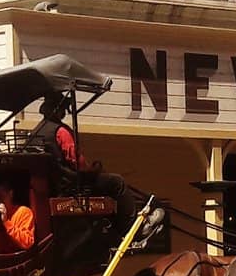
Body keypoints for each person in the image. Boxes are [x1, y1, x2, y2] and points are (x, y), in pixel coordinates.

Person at [32, 93, 162, 234]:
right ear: (58, 110)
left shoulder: (36, 131)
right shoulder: (60, 131)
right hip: (69, 183)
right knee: (117, 182)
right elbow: (76, 161)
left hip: (52, 184)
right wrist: (92, 170)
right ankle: (132, 227)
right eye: (63, 109)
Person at [0, 183, 36, 250]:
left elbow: (28, 242)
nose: (0, 201)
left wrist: (6, 222)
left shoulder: (23, 212)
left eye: (2, 197)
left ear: (10, 194)